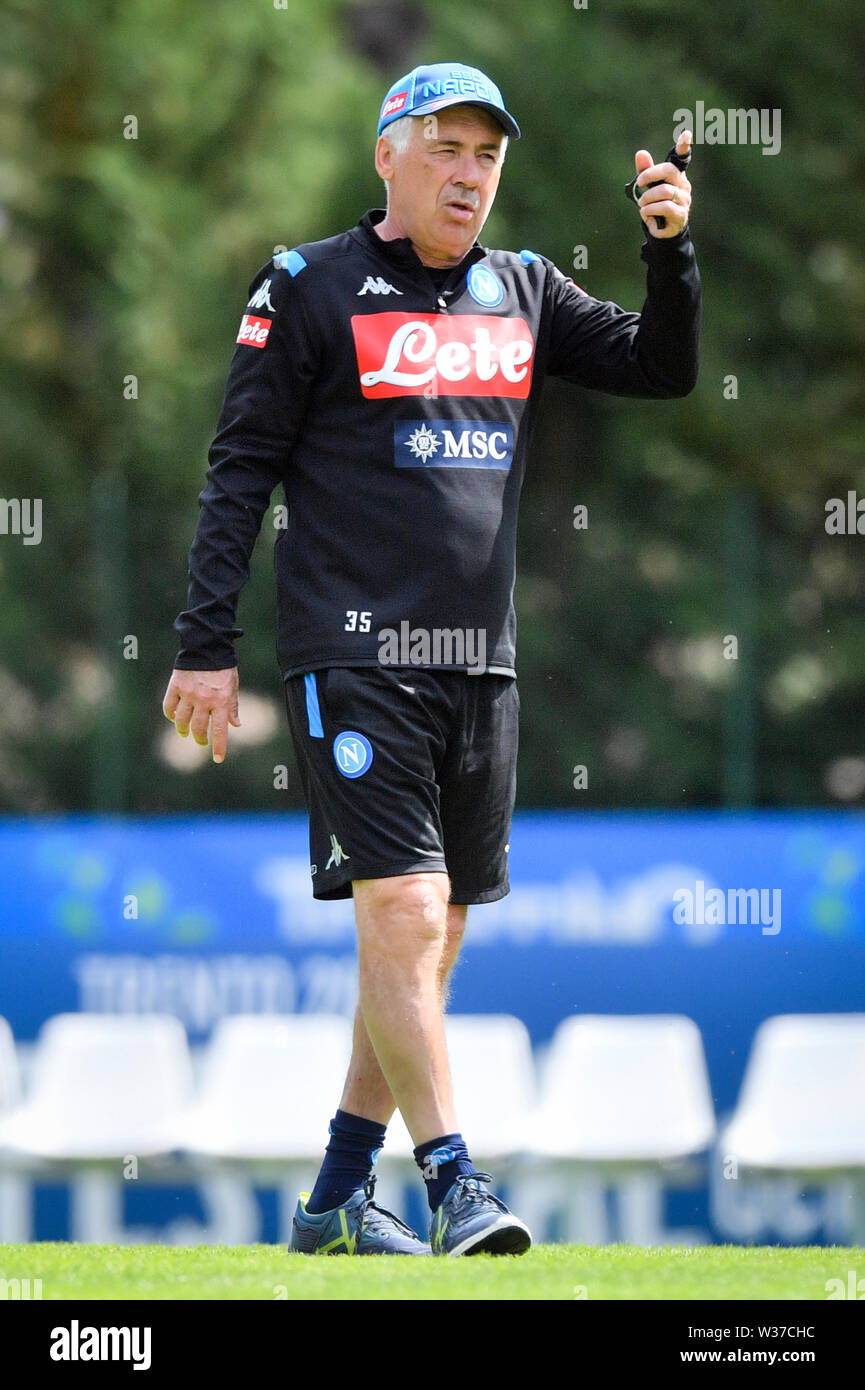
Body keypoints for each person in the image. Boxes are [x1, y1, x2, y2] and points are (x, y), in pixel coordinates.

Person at [163, 61, 700, 1257]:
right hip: (352, 657)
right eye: (447, 149)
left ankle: (336, 1199)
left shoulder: (525, 288)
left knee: (431, 937)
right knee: (402, 915)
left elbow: (661, 368)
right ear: (387, 156)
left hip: (481, 663)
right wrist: (206, 648)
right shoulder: (305, 285)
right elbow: (237, 470)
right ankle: (456, 1179)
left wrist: (668, 251)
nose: (471, 175)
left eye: (488, 155)